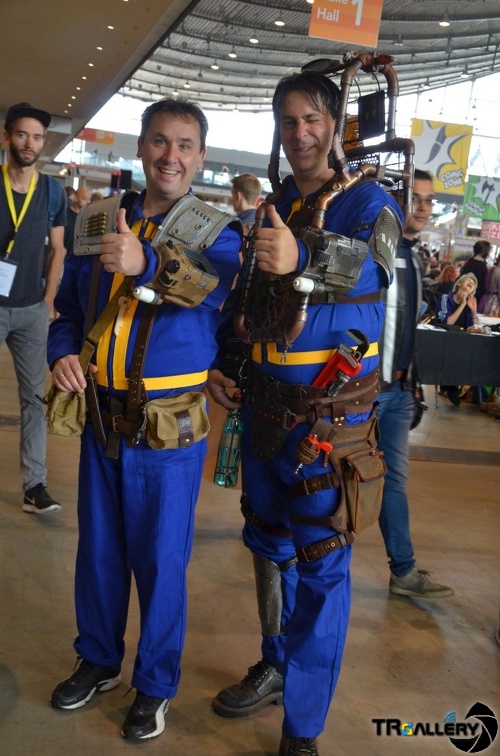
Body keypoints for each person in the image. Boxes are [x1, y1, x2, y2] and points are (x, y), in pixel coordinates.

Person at [208, 70, 403, 756]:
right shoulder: (279, 203)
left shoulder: (369, 200)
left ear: (335, 124)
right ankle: (276, 661)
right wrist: (226, 362)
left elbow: (376, 269)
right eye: (288, 121)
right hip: (264, 411)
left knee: (321, 561)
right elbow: (249, 296)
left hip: (329, 425)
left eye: (313, 119)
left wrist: (304, 253)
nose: (301, 134)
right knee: (268, 543)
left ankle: (304, 728)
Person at [47, 98, 241, 741]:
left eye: (184, 145)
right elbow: (70, 308)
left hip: (169, 429)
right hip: (101, 417)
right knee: (99, 551)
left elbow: (210, 287)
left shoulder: (220, 233)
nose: (170, 156)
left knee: (161, 560)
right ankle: (98, 658)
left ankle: (154, 685)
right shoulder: (98, 220)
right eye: (159, 141)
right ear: (140, 147)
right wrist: (62, 353)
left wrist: (147, 263)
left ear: (201, 157)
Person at [377, 169, 454, 598]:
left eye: (428, 200)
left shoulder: (413, 256)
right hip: (364, 393)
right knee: (335, 479)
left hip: (400, 393)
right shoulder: (376, 251)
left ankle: (403, 571)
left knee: (394, 481)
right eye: (415, 198)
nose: (423, 207)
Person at [0, 102, 66, 514]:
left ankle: (34, 486)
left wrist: (48, 302)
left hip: (30, 310)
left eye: (37, 137)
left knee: (34, 401)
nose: (30, 143)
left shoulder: (52, 192)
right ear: (7, 137)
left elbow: (58, 250)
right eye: (23, 135)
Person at [435, 271, 479, 407]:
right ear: (459, 283)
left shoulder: (470, 304)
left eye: (473, 285)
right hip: (444, 339)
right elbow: (448, 323)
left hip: (463, 341)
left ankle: (472, 391)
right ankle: (450, 386)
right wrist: (462, 305)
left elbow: (476, 328)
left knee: (476, 352)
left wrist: (473, 311)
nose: (471, 283)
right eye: (468, 281)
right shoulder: (445, 298)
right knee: (455, 351)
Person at [460, 239, 491, 307]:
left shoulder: (469, 262)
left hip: (463, 293)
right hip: (474, 297)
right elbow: (483, 284)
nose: (490, 253)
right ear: (484, 251)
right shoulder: (482, 266)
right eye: (489, 251)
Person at [63, 185, 91, 255]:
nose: (87, 202)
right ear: (75, 197)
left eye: (89, 199)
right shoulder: (64, 214)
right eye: (84, 198)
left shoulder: (87, 219)